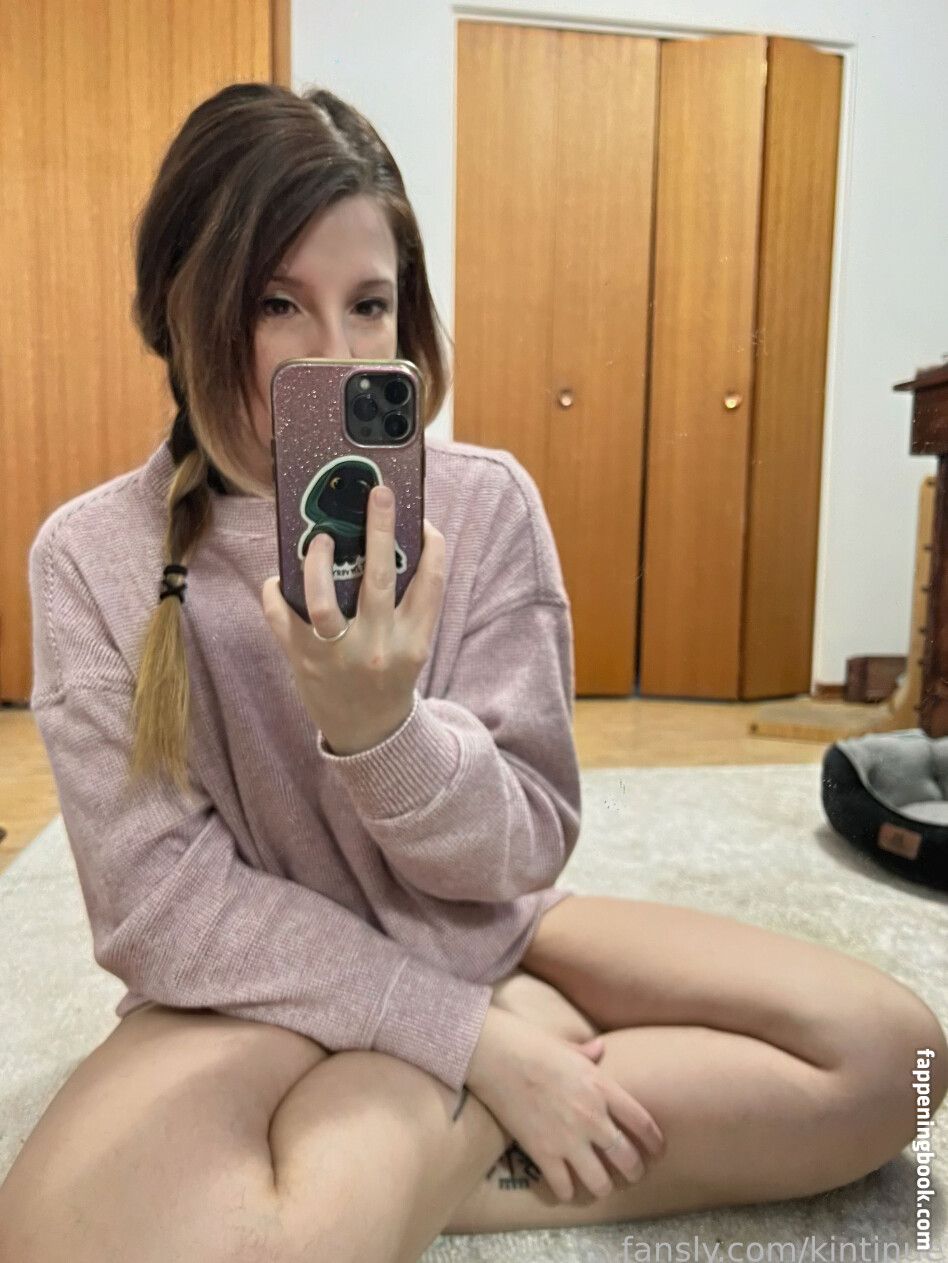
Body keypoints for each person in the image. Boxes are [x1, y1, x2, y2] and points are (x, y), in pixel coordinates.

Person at [0, 81, 944, 1263]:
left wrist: (383, 735)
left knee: (897, 1062)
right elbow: (162, 914)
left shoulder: (485, 506)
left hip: (488, 933)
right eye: (276, 303)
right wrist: (473, 1041)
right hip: (249, 988)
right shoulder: (93, 558)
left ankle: (398, 1160)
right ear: (177, 308)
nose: (334, 353)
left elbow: (528, 842)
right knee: (52, 1239)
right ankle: (485, 1112)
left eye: (370, 303)